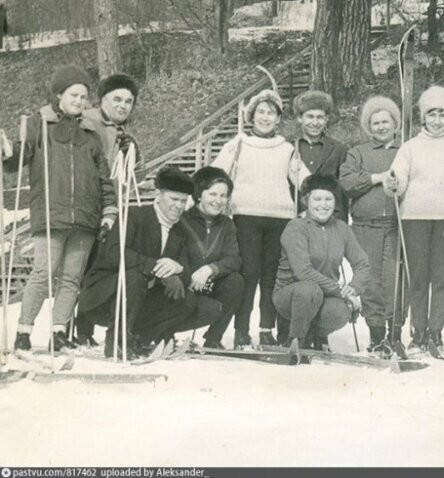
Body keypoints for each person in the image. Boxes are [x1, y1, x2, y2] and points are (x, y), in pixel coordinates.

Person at [0, 64, 116, 352]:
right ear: (59, 95)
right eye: (74, 95)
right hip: (51, 214)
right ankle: (24, 331)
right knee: (43, 272)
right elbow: (20, 157)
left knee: (71, 278)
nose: (79, 101)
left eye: (84, 96)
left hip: (86, 218)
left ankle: (59, 332)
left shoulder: (91, 134)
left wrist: (109, 211)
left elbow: (104, 178)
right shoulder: (40, 124)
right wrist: (8, 151)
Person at [77, 167, 223, 359]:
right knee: (135, 277)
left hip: (142, 301)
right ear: (159, 195)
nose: (178, 206)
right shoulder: (134, 216)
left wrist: (178, 270)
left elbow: (187, 268)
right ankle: (117, 341)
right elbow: (114, 254)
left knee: (204, 306)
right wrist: (158, 268)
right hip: (106, 298)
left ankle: (141, 337)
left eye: (183, 201)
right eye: (173, 199)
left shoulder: (180, 229)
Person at [212, 89, 310, 350]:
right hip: (246, 217)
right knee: (248, 274)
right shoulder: (238, 144)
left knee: (271, 276)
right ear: (251, 116)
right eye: (261, 112)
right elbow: (215, 174)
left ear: (278, 119)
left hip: (280, 218)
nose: (266, 117)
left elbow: (304, 181)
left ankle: (266, 330)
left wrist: (312, 199)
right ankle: (241, 330)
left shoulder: (287, 149)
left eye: (272, 113)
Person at [386, 85, 444, 352]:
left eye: (442, 114)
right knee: (418, 279)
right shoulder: (410, 147)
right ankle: (418, 332)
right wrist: (393, 182)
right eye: (432, 114)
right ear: (423, 117)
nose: (437, 120)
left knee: (442, 279)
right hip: (415, 219)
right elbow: (398, 178)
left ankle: (435, 332)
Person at [75, 73, 142, 346]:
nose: (123, 106)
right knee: (83, 267)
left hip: (113, 208)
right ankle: (77, 329)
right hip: (89, 207)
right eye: (117, 99)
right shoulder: (88, 122)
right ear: (102, 99)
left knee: (97, 267)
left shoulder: (122, 131)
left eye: (128, 101)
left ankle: (85, 329)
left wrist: (135, 152)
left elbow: (135, 174)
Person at [272, 174, 370, 350]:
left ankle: (317, 336)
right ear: (306, 200)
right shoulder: (296, 227)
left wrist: (354, 287)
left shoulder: (342, 228)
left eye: (328, 199)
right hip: (292, 296)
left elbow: (362, 263)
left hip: (325, 295)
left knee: (340, 311)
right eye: (317, 199)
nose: (323, 205)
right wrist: (341, 290)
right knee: (310, 289)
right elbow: (304, 272)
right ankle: (296, 340)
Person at [339, 96, 403, 355]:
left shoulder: (405, 150)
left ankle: (395, 333)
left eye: (385, 121)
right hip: (366, 226)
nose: (380, 127)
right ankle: (376, 334)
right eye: (375, 123)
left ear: (394, 123)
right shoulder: (358, 152)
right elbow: (347, 182)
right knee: (371, 280)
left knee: (395, 280)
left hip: (397, 225)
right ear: (369, 126)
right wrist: (376, 178)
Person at [179, 166, 245, 349]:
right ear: (199, 194)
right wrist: (189, 275)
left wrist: (210, 269)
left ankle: (213, 339)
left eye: (223, 196)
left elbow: (233, 259)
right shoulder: (183, 220)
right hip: (185, 285)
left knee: (236, 281)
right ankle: (164, 334)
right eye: (213, 194)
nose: (218, 201)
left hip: (209, 285)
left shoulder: (227, 225)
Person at [291, 90, 349, 221]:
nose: (315, 123)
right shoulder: (290, 148)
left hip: (330, 219)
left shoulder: (339, 149)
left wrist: (339, 220)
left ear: (326, 119)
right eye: (310, 116)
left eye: (320, 117)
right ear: (300, 118)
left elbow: (342, 191)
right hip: (298, 220)